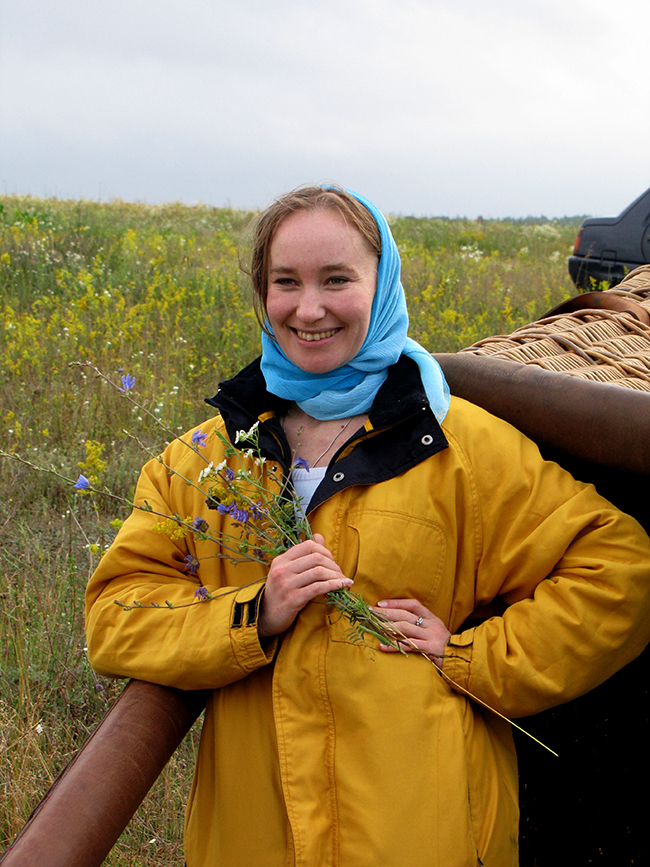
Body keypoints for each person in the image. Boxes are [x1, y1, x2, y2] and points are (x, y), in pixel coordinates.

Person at [85, 186, 650, 867]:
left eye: (337, 280)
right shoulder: (203, 460)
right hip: (253, 838)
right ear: (262, 293)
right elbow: (116, 615)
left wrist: (474, 658)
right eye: (285, 282)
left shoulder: (462, 446)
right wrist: (255, 614)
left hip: (425, 834)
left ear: (382, 288)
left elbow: (621, 568)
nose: (309, 308)